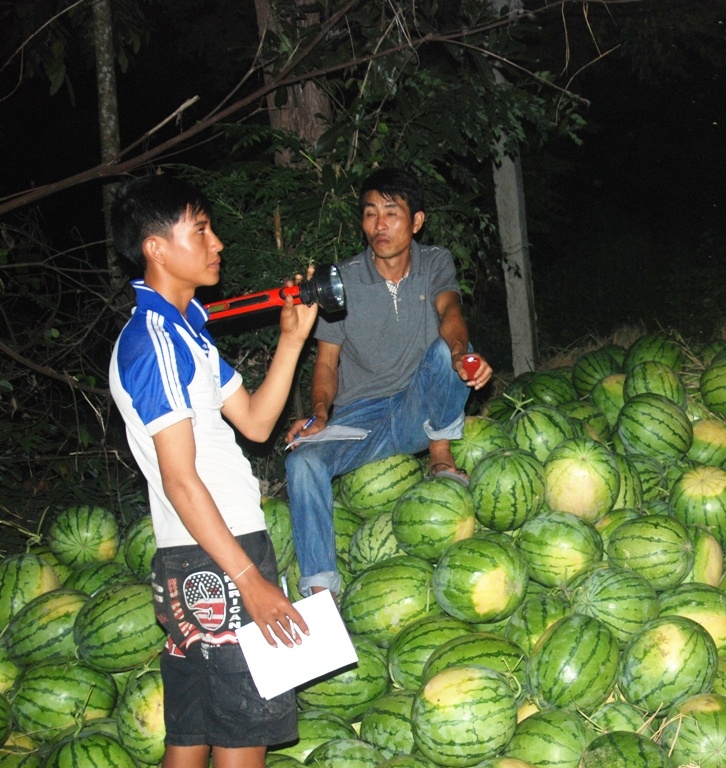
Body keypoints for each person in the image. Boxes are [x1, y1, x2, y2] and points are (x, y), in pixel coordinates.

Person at [108, 174, 317, 768]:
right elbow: (180, 478)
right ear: (155, 247)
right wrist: (249, 579)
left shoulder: (184, 334)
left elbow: (253, 422)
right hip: (218, 558)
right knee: (241, 737)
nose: (217, 241)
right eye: (200, 229)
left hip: (198, 557)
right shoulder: (154, 343)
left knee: (193, 734)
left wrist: (291, 341)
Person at [284, 167, 492, 596]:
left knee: (445, 348)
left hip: (421, 405)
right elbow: (325, 365)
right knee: (301, 462)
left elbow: (450, 312)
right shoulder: (339, 281)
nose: (379, 225)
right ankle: (321, 591)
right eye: (370, 213)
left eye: (392, 213)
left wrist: (460, 354)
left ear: (416, 221)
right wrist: (321, 413)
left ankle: (440, 454)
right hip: (364, 420)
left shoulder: (435, 261)